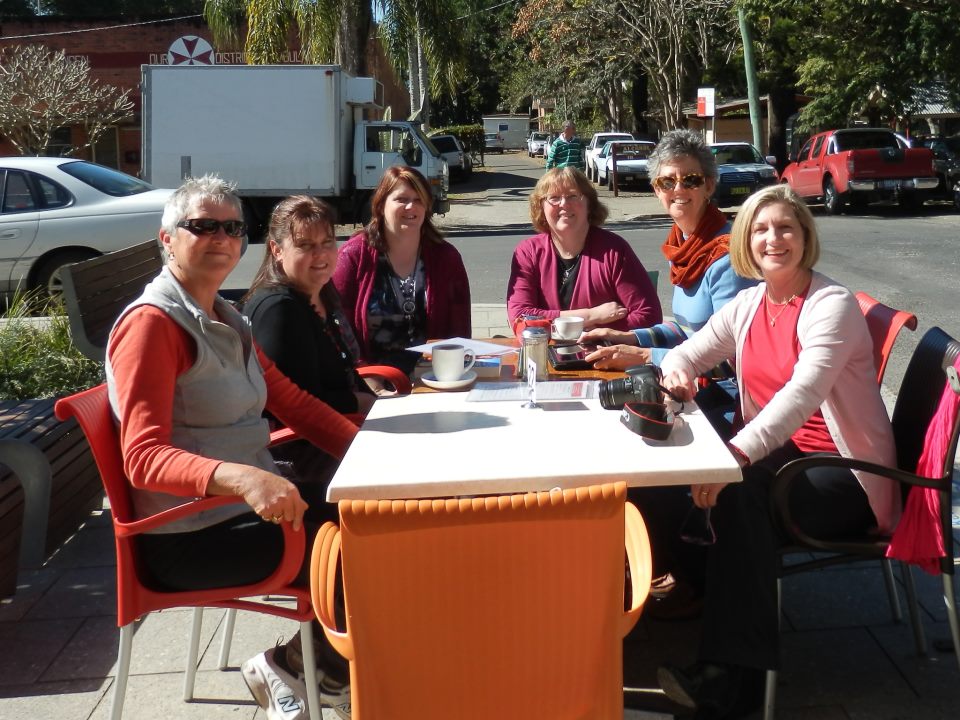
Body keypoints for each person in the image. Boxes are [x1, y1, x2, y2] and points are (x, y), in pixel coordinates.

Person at [106, 176, 355, 720]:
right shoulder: (153, 325)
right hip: (190, 537)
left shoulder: (226, 315)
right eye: (203, 226)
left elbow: (292, 402)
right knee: (359, 548)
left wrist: (364, 451)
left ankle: (313, 669)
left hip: (239, 514)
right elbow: (142, 457)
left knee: (375, 516)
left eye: (232, 227)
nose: (220, 236)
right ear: (167, 238)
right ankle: (303, 670)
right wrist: (244, 478)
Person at [654, 184, 898, 719]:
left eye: (786, 227)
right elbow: (686, 353)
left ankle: (727, 684)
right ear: (745, 240)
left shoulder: (829, 304)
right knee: (670, 483)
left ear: (805, 237)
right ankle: (712, 600)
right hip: (783, 460)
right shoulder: (748, 303)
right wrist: (678, 376)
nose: (773, 239)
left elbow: (799, 397)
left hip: (844, 473)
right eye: (761, 229)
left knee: (740, 497)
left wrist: (734, 458)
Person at [583, 128, 755, 370]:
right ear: (656, 190)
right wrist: (627, 337)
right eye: (667, 181)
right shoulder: (683, 247)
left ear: (709, 186)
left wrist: (646, 356)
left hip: (725, 397)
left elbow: (735, 357)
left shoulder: (728, 256)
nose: (678, 189)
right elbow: (688, 331)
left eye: (691, 179)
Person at [243, 195, 377, 418]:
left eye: (327, 242)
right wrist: (361, 403)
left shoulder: (323, 292)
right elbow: (294, 406)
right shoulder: (278, 310)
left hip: (348, 423)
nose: (321, 254)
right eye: (305, 245)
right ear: (277, 250)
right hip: (309, 445)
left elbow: (346, 374)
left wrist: (378, 399)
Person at [333, 166, 471, 375]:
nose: (411, 207)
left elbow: (460, 331)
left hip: (434, 378)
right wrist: (364, 376)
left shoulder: (447, 258)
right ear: (380, 205)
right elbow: (338, 329)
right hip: (371, 380)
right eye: (401, 199)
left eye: (418, 200)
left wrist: (451, 374)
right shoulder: (353, 256)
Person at [506, 166, 662, 332]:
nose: (564, 204)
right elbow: (520, 318)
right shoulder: (528, 252)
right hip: (543, 354)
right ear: (541, 207)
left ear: (589, 203)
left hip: (604, 353)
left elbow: (649, 315)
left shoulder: (614, 250)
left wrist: (595, 334)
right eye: (554, 198)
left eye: (573, 196)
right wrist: (590, 316)